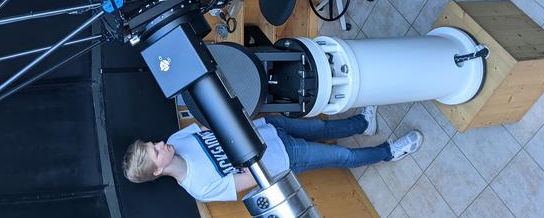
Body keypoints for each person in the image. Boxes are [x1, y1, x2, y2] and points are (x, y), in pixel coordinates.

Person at [122, 106, 423, 202]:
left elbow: (212, 127)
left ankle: (362, 123)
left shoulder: (177, 138)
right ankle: (389, 152)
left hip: (269, 127)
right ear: (157, 171)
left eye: (153, 143)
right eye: (156, 151)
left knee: (320, 127)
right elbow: (249, 178)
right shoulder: (199, 187)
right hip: (284, 157)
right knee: (343, 157)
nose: (160, 144)